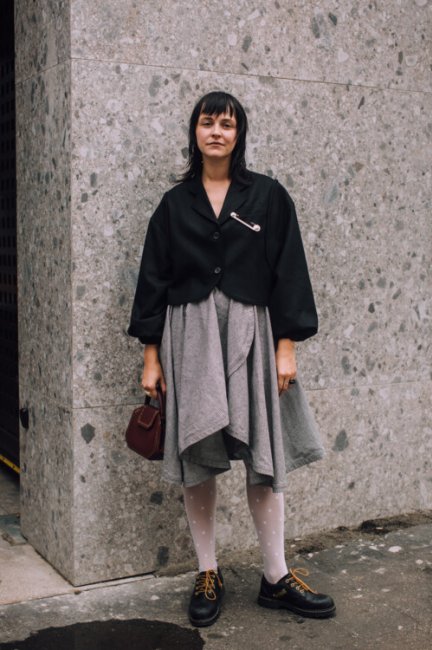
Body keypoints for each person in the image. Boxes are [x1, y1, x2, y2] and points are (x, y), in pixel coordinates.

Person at [128, 91, 336, 627]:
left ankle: (275, 576)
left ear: (238, 134)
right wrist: (151, 356)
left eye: (226, 123)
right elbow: (153, 279)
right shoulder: (174, 205)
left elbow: (289, 269)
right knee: (199, 452)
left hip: (252, 333)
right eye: (207, 122)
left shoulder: (267, 196)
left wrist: (286, 346)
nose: (216, 131)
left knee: (262, 455)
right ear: (194, 132)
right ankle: (207, 571)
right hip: (190, 337)